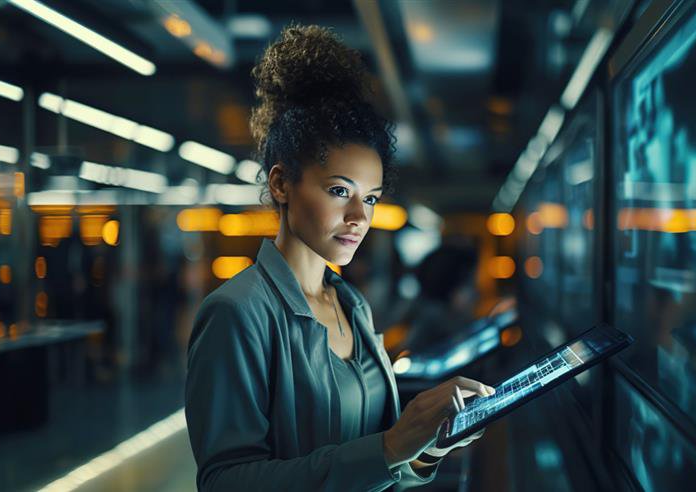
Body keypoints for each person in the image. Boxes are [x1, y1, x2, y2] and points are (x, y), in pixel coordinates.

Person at [184, 24, 494, 491]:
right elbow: (225, 481)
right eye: (338, 191)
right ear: (281, 184)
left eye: (369, 198)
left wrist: (427, 446)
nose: (358, 217)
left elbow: (378, 459)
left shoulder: (352, 306)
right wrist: (390, 448)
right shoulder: (238, 313)